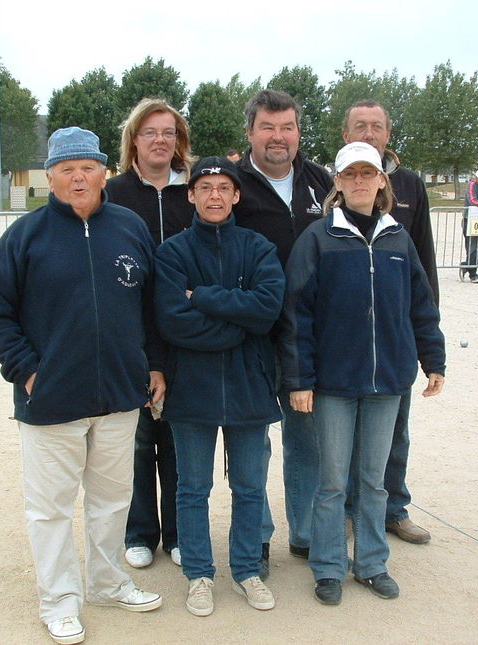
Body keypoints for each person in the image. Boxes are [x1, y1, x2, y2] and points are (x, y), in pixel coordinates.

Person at [0, 127, 163, 645]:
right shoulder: (25, 236)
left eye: (87, 167)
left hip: (120, 396)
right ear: (51, 176)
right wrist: (29, 371)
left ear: (104, 172)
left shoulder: (129, 227)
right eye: (66, 169)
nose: (78, 178)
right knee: (51, 509)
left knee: (112, 500)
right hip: (51, 400)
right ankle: (59, 600)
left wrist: (152, 364)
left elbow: (152, 306)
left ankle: (107, 583)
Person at [279, 141, 446, 606]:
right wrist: (300, 380)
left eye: (367, 174)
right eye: (349, 174)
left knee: (373, 481)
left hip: (387, 382)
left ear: (380, 182)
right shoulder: (318, 238)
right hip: (333, 384)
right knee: (332, 481)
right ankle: (328, 566)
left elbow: (420, 306)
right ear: (337, 182)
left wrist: (433, 360)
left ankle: (371, 564)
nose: (358, 181)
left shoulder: (398, 239)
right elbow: (297, 314)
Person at [153, 157, 285, 617]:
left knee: (249, 487)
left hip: (250, 385)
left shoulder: (259, 247)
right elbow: (173, 320)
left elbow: (267, 309)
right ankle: (199, 574)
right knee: (192, 488)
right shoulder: (172, 253)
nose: (214, 196)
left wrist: (205, 297)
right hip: (192, 386)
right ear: (190, 195)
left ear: (236, 195)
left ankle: (247, 569)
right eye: (205, 188)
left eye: (223, 187)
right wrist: (238, 325)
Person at [232, 89, 333, 574]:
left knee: (307, 439)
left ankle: (307, 532)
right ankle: (257, 536)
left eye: (287, 127)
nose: (278, 137)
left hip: (309, 338)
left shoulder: (321, 183)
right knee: (253, 443)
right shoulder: (232, 184)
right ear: (250, 132)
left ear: (298, 132)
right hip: (252, 335)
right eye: (268, 127)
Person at [342, 100, 438, 545]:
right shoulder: (338, 181)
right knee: (344, 433)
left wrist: (427, 336)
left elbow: (424, 262)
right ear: (346, 135)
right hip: (348, 334)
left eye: (376, 126)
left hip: (394, 334)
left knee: (395, 430)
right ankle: (348, 511)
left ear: (388, 134)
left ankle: (393, 509)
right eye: (360, 126)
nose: (368, 132)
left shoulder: (411, 185)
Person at [106, 98, 195, 571]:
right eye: (150, 132)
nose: (160, 140)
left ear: (178, 141)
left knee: (178, 438)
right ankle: (139, 531)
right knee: (138, 440)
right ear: (134, 140)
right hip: (131, 333)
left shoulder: (194, 191)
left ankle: (178, 533)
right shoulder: (114, 193)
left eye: (168, 132)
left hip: (184, 334)